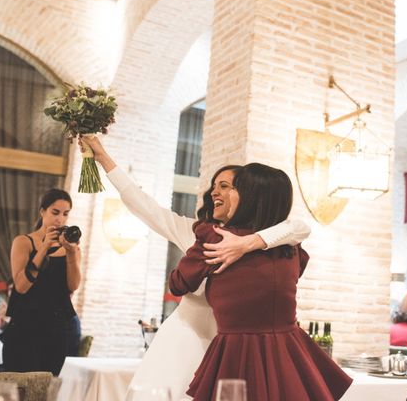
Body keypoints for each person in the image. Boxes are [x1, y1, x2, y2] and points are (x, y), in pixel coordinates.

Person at [80, 135, 311, 399]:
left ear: (247, 196)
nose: (215, 192)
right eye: (214, 186)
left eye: (225, 186)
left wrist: (248, 243)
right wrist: (103, 158)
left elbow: (299, 227)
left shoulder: (274, 243)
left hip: (233, 348)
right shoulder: (197, 233)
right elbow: (144, 205)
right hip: (187, 340)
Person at [169, 162, 352, 400]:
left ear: (251, 197)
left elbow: (178, 283)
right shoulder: (291, 248)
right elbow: (297, 231)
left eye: (234, 188)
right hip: (291, 354)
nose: (225, 194)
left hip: (237, 354)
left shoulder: (217, 239)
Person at [2, 189, 81, 375]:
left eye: (65, 214)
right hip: (24, 327)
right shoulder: (23, 242)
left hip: (56, 330)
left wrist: (71, 252)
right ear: (42, 211)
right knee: (19, 388)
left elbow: (73, 286)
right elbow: (21, 286)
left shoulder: (72, 248)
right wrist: (44, 248)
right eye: (55, 212)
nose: (60, 219)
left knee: (47, 388)